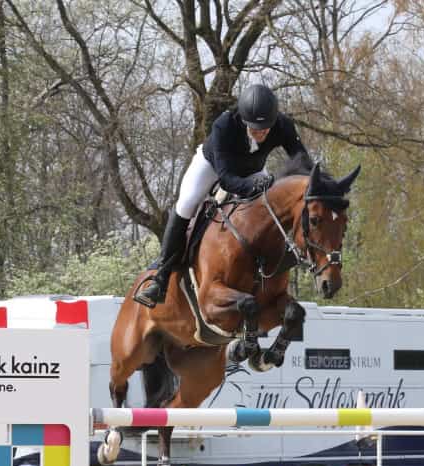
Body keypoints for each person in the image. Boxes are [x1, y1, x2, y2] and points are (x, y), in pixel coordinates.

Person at [134, 83, 313, 308]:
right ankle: (161, 276)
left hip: (253, 169)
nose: (263, 133)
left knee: (272, 207)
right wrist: (254, 185)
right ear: (244, 121)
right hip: (212, 166)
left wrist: (317, 183)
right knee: (187, 203)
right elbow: (227, 178)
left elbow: (302, 161)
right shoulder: (224, 126)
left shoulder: (281, 125)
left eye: (267, 128)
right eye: (257, 129)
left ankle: (277, 258)